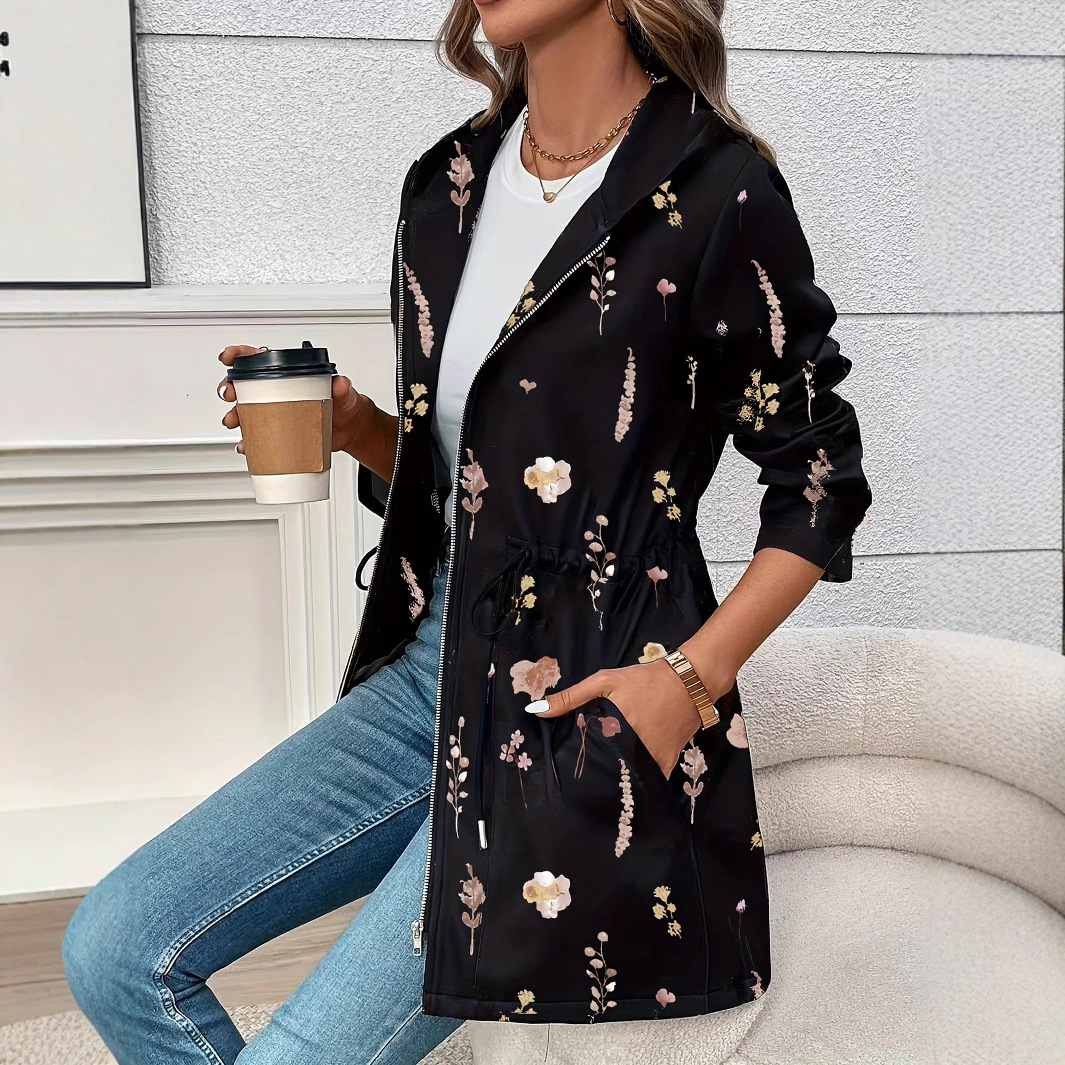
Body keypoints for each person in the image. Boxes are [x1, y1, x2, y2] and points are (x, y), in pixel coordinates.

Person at [62, 0, 872, 1060]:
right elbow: (478, 482)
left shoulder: (717, 188)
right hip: (433, 663)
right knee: (114, 948)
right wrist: (360, 429)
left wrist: (688, 680)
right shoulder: (446, 185)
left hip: (578, 699)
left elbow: (819, 474)